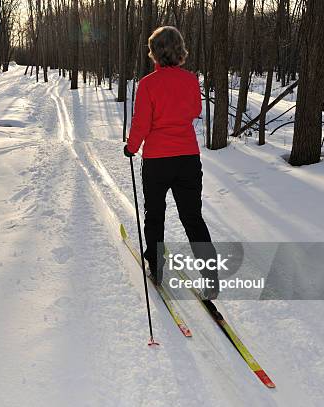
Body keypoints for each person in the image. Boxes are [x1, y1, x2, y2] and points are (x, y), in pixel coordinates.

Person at [123, 26, 218, 299]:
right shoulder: (190, 80)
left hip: (157, 161)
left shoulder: (149, 84)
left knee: (155, 214)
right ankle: (210, 275)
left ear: (154, 52)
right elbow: (195, 110)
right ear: (179, 50)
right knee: (192, 217)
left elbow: (142, 122)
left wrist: (131, 147)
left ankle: (156, 265)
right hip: (188, 158)